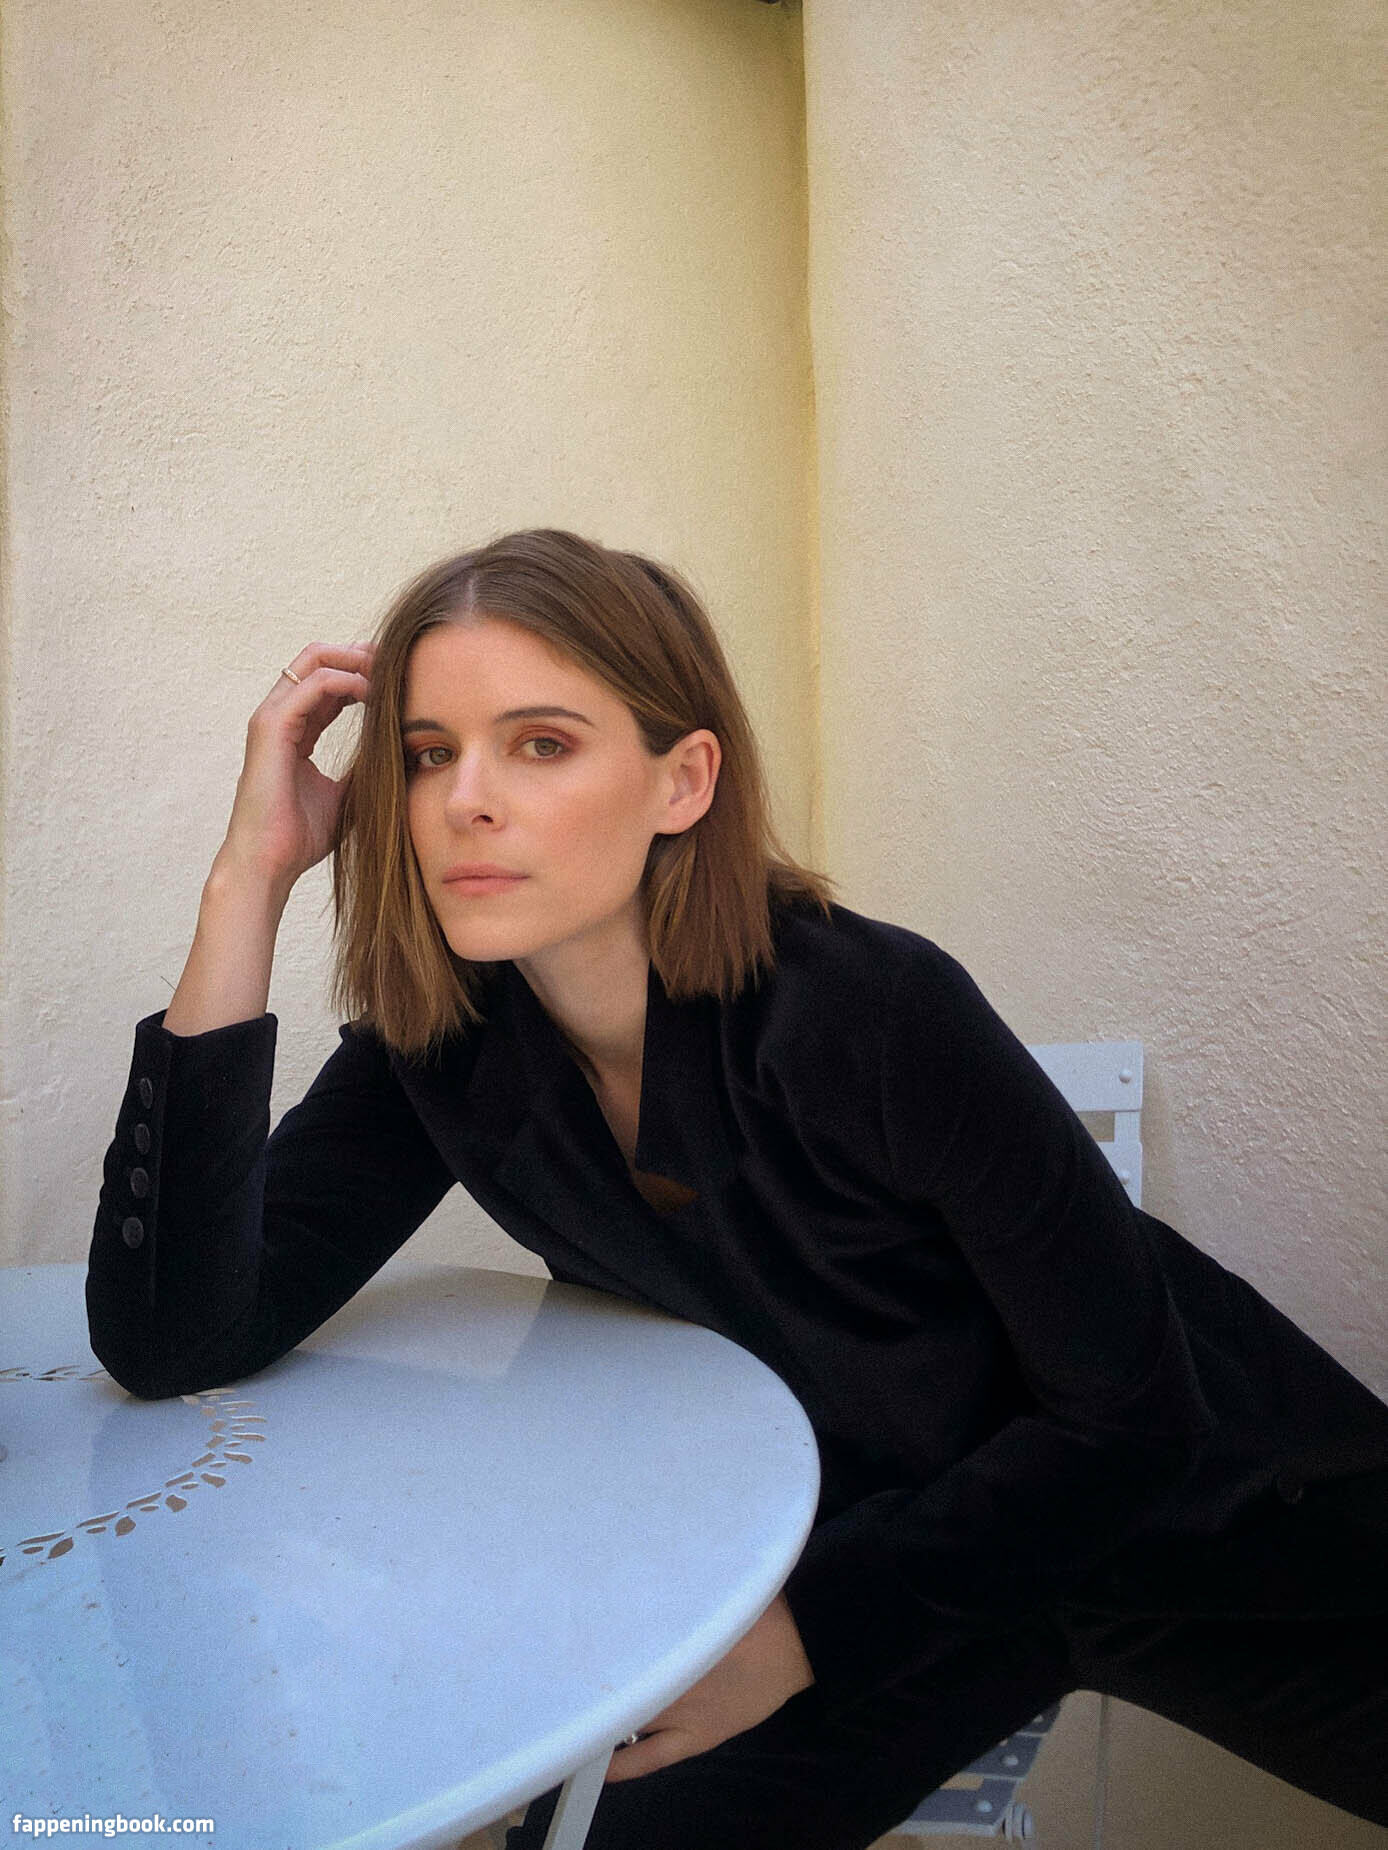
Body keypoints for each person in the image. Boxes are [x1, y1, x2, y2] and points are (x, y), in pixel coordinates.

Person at [88, 528, 1388, 1849]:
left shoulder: (873, 1011)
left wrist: (804, 1630)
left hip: (1200, 1521)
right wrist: (248, 876)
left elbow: (1138, 1423)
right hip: (881, 1569)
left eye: (540, 743)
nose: (466, 798)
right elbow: (175, 1340)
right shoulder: (447, 1042)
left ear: (683, 780)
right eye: (427, 753)